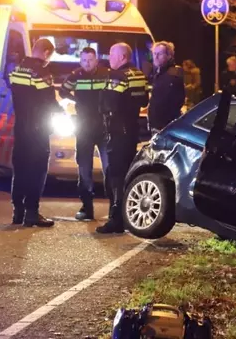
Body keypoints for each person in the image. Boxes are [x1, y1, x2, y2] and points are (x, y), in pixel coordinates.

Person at [8, 38, 61, 227]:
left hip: (21, 127)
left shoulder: (17, 70)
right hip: (38, 128)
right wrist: (63, 111)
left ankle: (17, 212)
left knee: (20, 168)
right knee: (37, 170)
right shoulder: (42, 72)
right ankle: (32, 212)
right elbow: (49, 101)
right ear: (46, 53)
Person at [97, 42, 149, 234]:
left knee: (115, 176)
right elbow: (144, 100)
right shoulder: (140, 76)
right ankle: (126, 216)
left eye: (111, 54)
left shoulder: (117, 76)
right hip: (132, 130)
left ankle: (116, 219)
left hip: (118, 131)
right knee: (127, 174)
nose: (109, 58)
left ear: (122, 57)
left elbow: (108, 105)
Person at [58, 46, 110, 221]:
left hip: (103, 127)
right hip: (84, 127)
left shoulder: (106, 74)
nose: (87, 63)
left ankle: (115, 208)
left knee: (109, 169)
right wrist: (76, 99)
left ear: (96, 60)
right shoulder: (76, 76)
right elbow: (62, 90)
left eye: (90, 60)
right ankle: (87, 207)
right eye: (84, 60)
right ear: (80, 61)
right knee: (84, 169)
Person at [146, 41, 185, 131]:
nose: (155, 57)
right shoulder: (160, 72)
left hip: (164, 125)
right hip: (158, 124)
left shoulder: (172, 74)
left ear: (169, 56)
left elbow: (174, 101)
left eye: (159, 54)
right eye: (154, 53)